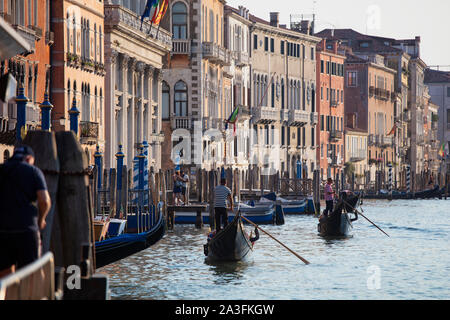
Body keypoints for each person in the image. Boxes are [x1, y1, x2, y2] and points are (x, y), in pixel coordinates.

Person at [0, 145, 51, 275]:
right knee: (31, 273)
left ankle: (8, 295)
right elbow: (44, 201)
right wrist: (41, 219)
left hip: (2, 229)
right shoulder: (33, 171)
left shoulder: (2, 169)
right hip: (26, 228)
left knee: (5, 272)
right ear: (29, 159)